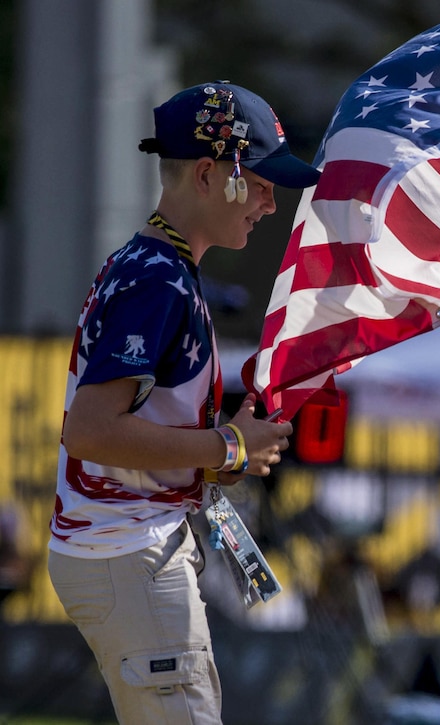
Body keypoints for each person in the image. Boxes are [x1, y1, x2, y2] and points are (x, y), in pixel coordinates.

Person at [47, 81, 318, 724]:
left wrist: (224, 452)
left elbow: (127, 426)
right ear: (208, 173)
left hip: (127, 548)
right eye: (258, 182)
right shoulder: (158, 278)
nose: (270, 204)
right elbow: (89, 432)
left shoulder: (154, 266)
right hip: (128, 551)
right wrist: (227, 445)